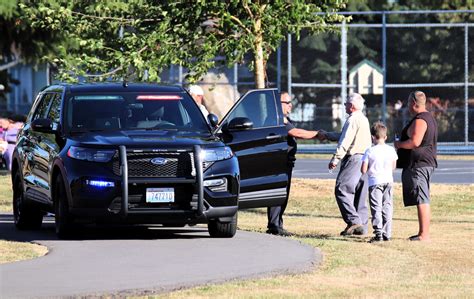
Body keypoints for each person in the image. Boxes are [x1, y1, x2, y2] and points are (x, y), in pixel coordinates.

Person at [318, 93, 371, 236]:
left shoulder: (352, 120)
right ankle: (362, 227)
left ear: (352, 106)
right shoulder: (363, 119)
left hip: (354, 159)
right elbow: (344, 135)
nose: (344, 105)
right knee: (360, 194)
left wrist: (335, 159)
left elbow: (345, 141)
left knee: (342, 189)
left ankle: (354, 222)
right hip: (365, 159)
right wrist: (327, 135)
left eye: (346, 103)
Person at [266, 92, 319, 236]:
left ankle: (277, 224)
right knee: (278, 194)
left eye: (290, 102)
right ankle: (274, 225)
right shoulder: (278, 119)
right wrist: (319, 134)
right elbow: (297, 133)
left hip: (286, 163)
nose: (290, 105)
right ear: (279, 104)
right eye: (287, 102)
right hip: (279, 164)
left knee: (283, 195)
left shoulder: (284, 119)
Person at [394, 91, 437, 241]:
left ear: (414, 103)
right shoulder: (427, 117)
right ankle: (422, 233)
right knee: (421, 197)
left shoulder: (421, 119)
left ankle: (424, 235)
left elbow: (415, 142)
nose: (406, 106)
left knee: (422, 198)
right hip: (421, 163)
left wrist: (399, 144)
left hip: (419, 164)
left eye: (407, 103)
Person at [361, 121, 398, 242]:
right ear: (385, 137)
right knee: (387, 206)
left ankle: (378, 233)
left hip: (375, 181)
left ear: (372, 137)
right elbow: (393, 166)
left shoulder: (369, 151)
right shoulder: (391, 150)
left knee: (376, 207)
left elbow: (363, 169)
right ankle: (387, 233)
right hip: (388, 180)